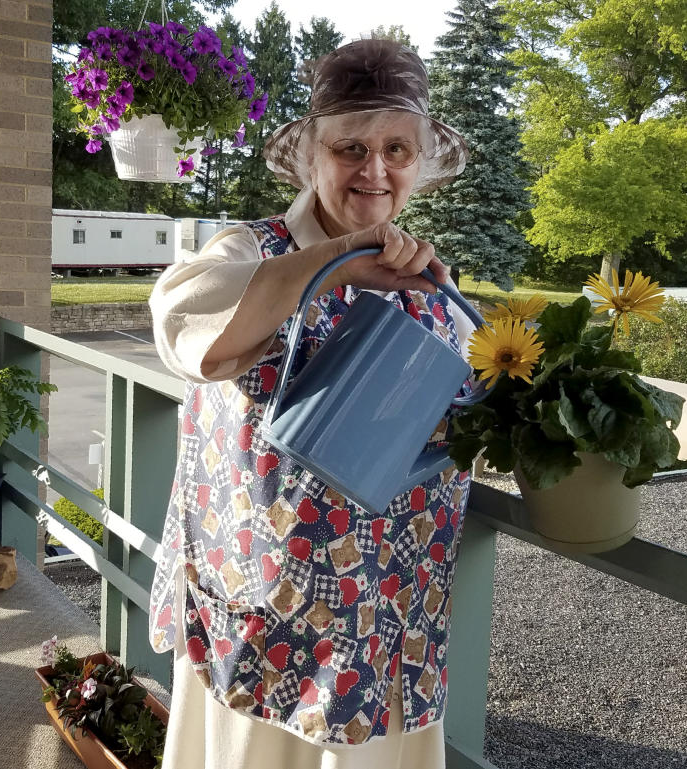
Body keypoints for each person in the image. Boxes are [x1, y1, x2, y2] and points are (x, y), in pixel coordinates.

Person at [148, 38, 474, 769]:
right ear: (311, 156)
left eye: (398, 148)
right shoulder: (251, 251)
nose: (376, 169)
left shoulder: (431, 284)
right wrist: (333, 259)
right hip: (260, 616)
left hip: (389, 627)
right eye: (350, 148)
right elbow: (178, 320)